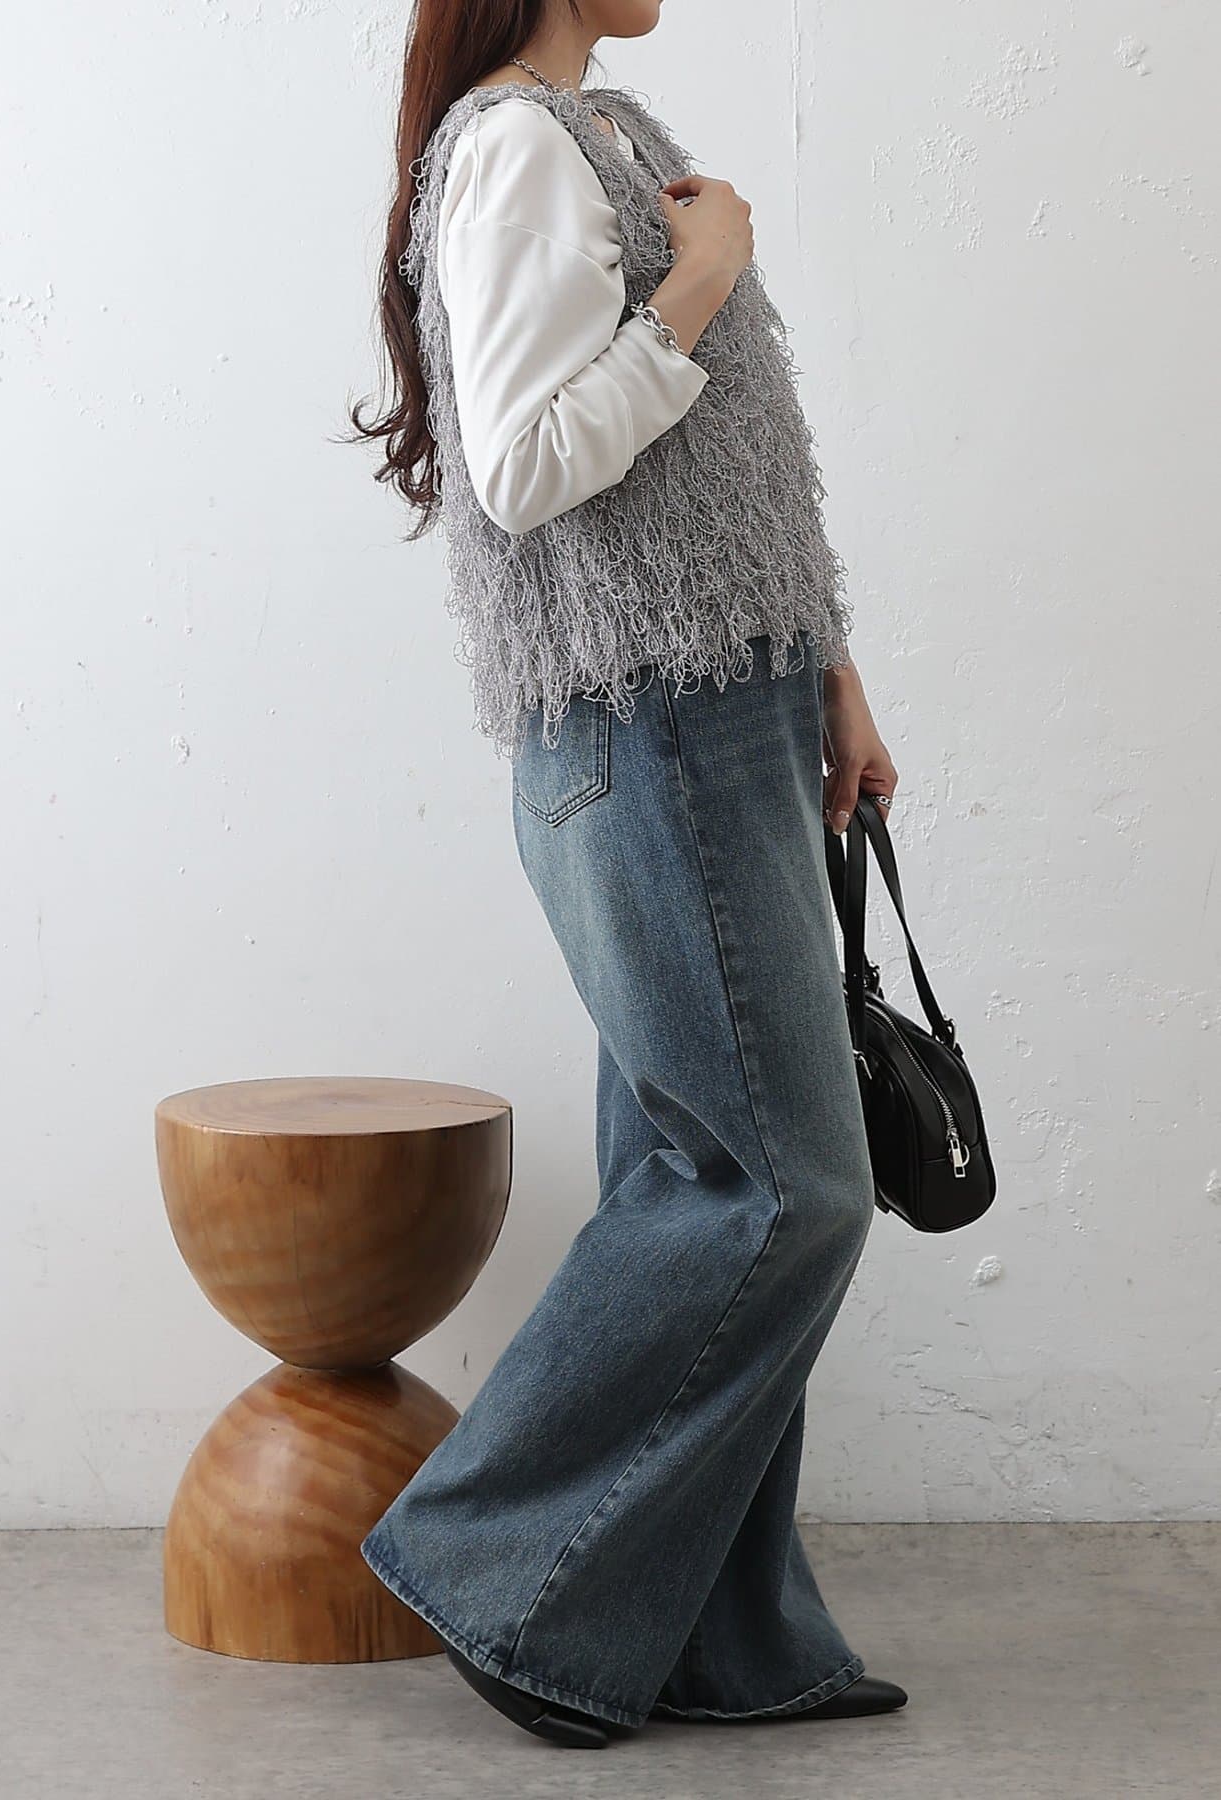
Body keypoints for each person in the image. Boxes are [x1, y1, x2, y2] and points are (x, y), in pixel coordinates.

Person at [344, 0, 906, 1750]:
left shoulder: (609, 127)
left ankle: (716, 1641)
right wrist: (701, 278)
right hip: (650, 727)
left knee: (705, 1169)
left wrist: (827, 673)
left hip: (723, 707)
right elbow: (521, 468)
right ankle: (500, 1570)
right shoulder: (518, 145)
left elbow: (736, 476)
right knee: (778, 1188)